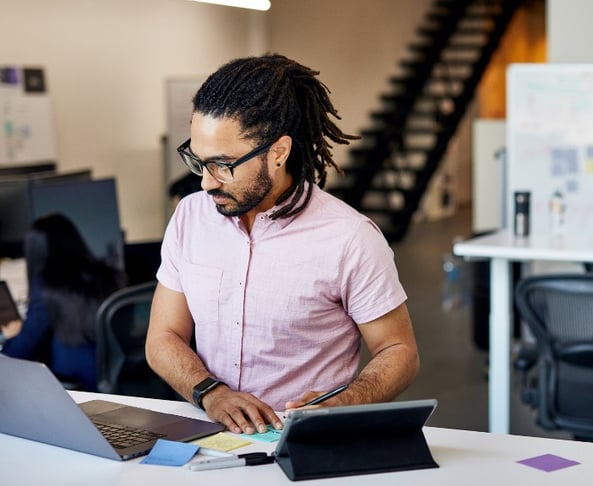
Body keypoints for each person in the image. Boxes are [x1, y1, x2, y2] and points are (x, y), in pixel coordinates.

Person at [145, 53, 420, 436]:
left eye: (223, 165)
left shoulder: (349, 238)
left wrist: (344, 401)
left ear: (278, 152)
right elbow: (162, 337)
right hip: (207, 435)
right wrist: (211, 393)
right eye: (199, 161)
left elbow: (399, 351)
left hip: (303, 441)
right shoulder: (190, 217)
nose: (207, 182)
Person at [1, 213, 124, 391]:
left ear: (35, 251)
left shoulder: (47, 284)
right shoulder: (108, 273)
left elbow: (22, 349)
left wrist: (12, 337)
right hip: (113, 375)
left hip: (73, 382)